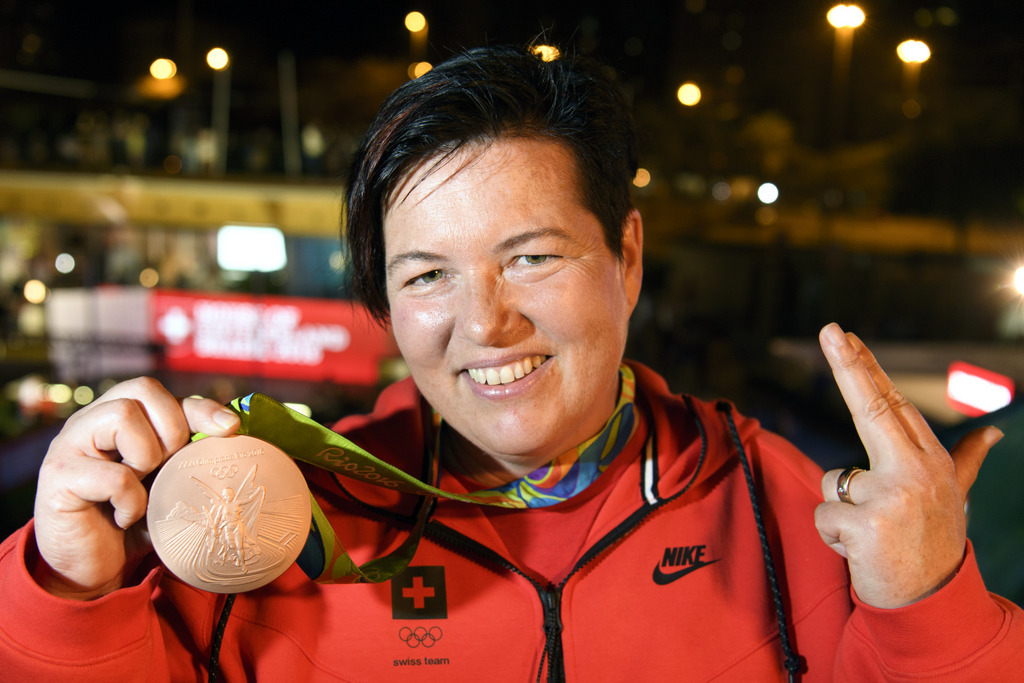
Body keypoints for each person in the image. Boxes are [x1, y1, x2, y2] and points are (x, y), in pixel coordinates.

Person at [1, 44, 1021, 682]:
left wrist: (929, 613)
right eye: (428, 274)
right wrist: (71, 597)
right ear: (386, 304)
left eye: (530, 256)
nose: (483, 322)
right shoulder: (266, 526)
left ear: (625, 254)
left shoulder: (785, 519)